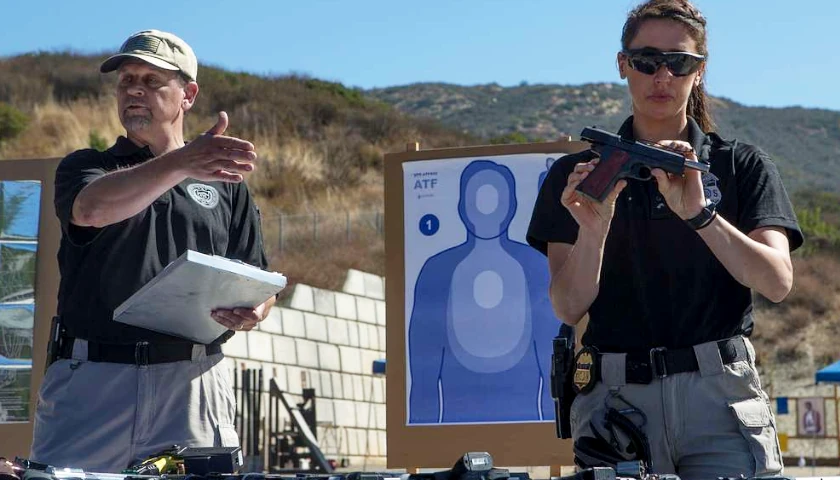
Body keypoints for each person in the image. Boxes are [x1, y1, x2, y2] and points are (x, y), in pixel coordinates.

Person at [526, 0, 802, 478]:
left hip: (719, 399)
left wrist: (700, 215)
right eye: (646, 61)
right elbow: (568, 307)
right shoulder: (581, 175)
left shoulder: (740, 165)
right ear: (622, 64)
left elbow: (777, 282)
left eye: (679, 62)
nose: (663, 76)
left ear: (700, 70)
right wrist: (594, 227)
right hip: (617, 401)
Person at [30, 29, 275, 472]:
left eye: (151, 80)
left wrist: (255, 308)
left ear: (188, 95)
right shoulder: (88, 167)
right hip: (92, 383)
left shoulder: (228, 187)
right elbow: (91, 210)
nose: (135, 90)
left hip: (193, 387)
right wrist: (182, 161)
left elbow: (257, 276)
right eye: (126, 80)